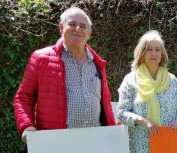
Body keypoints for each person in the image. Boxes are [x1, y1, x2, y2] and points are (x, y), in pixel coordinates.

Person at [14, 7, 115, 142]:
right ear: (61, 27)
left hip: (94, 142)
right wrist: (27, 126)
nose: (78, 29)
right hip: (58, 144)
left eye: (83, 26)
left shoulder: (97, 63)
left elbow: (105, 105)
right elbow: (23, 97)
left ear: (89, 33)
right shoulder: (41, 58)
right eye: (72, 24)